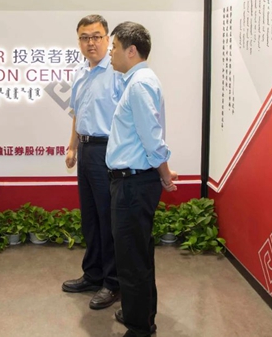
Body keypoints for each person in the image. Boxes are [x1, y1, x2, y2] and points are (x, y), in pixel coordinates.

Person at [106, 22, 178, 337]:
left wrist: (164, 174)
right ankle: (141, 315)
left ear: (131, 50)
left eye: (114, 47)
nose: (110, 52)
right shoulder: (140, 81)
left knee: (132, 259)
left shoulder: (139, 84)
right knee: (137, 254)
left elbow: (152, 138)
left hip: (133, 184)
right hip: (133, 182)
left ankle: (139, 328)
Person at [62, 15, 124, 310]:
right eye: (85, 37)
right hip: (85, 151)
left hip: (107, 151)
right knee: (90, 218)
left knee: (108, 219)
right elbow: (77, 113)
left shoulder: (117, 72)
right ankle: (93, 274)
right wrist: (72, 147)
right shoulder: (80, 72)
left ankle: (113, 283)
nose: (91, 43)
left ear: (107, 39)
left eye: (96, 36)